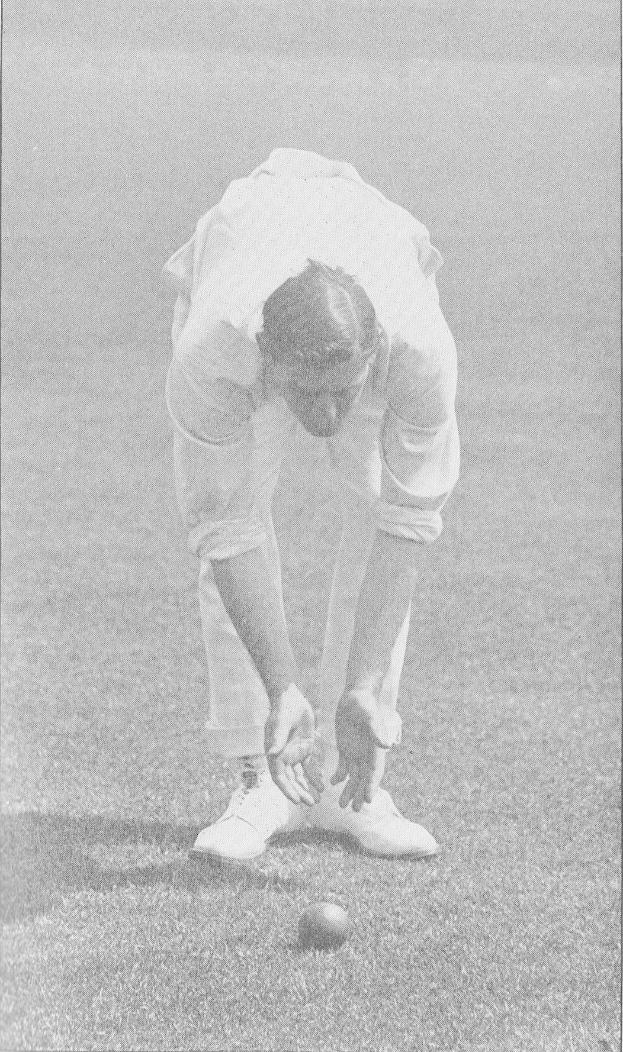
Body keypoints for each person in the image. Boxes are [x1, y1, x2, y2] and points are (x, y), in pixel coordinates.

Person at [163, 149, 459, 861]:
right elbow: (225, 529)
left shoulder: (418, 354)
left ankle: (353, 785)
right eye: (305, 392)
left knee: (378, 502)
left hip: (365, 256)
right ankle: (258, 781)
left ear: (374, 356)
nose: (325, 414)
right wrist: (282, 687)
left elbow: (406, 521)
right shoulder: (214, 355)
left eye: (344, 391)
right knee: (231, 515)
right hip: (244, 243)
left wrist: (361, 687)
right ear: (269, 357)